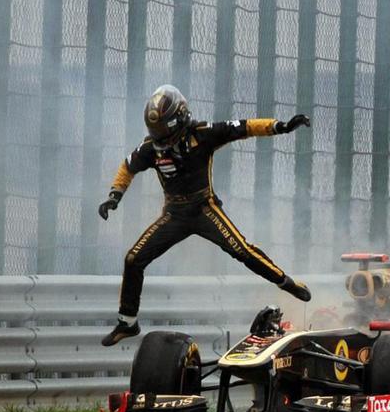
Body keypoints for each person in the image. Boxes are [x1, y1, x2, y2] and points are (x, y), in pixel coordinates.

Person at [98, 84, 312, 346]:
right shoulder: (150, 148)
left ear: (180, 119)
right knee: (133, 259)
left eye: (165, 132)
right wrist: (114, 196)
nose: (161, 139)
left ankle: (286, 282)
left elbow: (245, 127)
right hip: (174, 215)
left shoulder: (204, 133)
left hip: (204, 209)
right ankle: (127, 323)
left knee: (241, 250)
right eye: (156, 132)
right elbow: (127, 167)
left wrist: (281, 126)